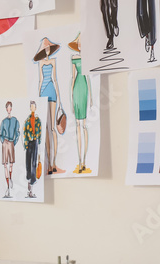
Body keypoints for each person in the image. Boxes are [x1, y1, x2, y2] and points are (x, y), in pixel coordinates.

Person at [34, 37, 61, 175]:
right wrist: (38, 98)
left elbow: (55, 79)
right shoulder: (40, 64)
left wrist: (60, 99)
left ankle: (53, 162)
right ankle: (49, 163)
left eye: (49, 48)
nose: (48, 51)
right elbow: (40, 80)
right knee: (46, 128)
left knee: (52, 128)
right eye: (45, 48)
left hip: (52, 91)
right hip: (43, 92)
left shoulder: (53, 61)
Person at [69, 34, 92, 174]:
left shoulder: (88, 57)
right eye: (79, 43)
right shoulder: (74, 58)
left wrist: (91, 99)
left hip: (84, 87)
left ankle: (84, 160)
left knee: (83, 125)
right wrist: (71, 97)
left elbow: (88, 77)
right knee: (78, 125)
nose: (80, 45)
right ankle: (79, 161)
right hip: (77, 86)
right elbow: (72, 77)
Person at [0, 101, 20, 198]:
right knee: (5, 165)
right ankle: (7, 186)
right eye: (7, 107)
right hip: (5, 142)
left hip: (11, 142)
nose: (9, 109)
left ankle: (10, 178)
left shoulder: (15, 120)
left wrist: (14, 142)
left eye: (10, 107)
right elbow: (0, 133)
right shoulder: (3, 121)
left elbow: (17, 132)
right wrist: (3, 141)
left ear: (11, 108)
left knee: (11, 163)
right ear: (6, 108)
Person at [23, 100, 41, 199]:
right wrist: (25, 144)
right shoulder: (27, 120)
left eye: (34, 106)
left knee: (34, 163)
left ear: (36, 107)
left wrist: (39, 143)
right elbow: (24, 133)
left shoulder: (38, 120)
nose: (33, 108)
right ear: (30, 108)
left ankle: (32, 185)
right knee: (28, 163)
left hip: (35, 142)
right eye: (31, 106)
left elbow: (40, 132)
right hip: (29, 143)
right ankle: (29, 184)